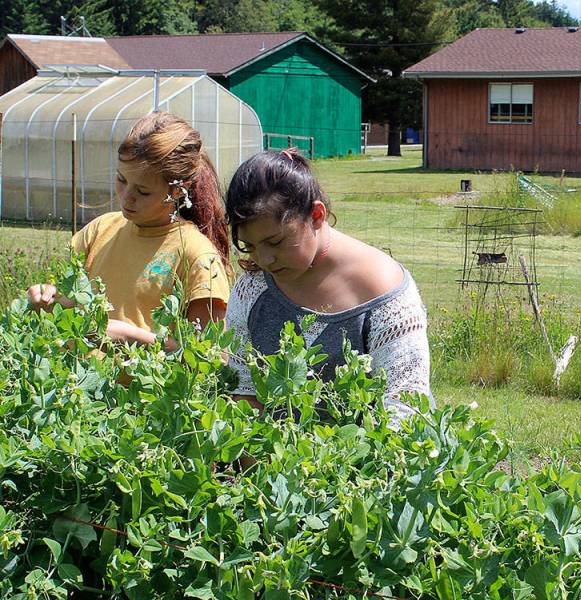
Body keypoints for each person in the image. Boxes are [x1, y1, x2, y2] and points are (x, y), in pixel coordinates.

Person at [223, 148, 431, 422]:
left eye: (275, 242)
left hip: (370, 461)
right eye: (249, 246)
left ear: (317, 216)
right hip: (272, 462)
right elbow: (244, 393)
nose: (264, 259)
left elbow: (405, 409)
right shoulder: (252, 289)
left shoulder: (383, 290)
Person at [26, 112, 232, 347]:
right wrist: (46, 300)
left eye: (143, 191)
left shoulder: (196, 255)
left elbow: (211, 358)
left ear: (178, 190)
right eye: (121, 180)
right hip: (82, 383)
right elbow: (69, 312)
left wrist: (132, 338)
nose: (127, 197)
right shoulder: (99, 230)